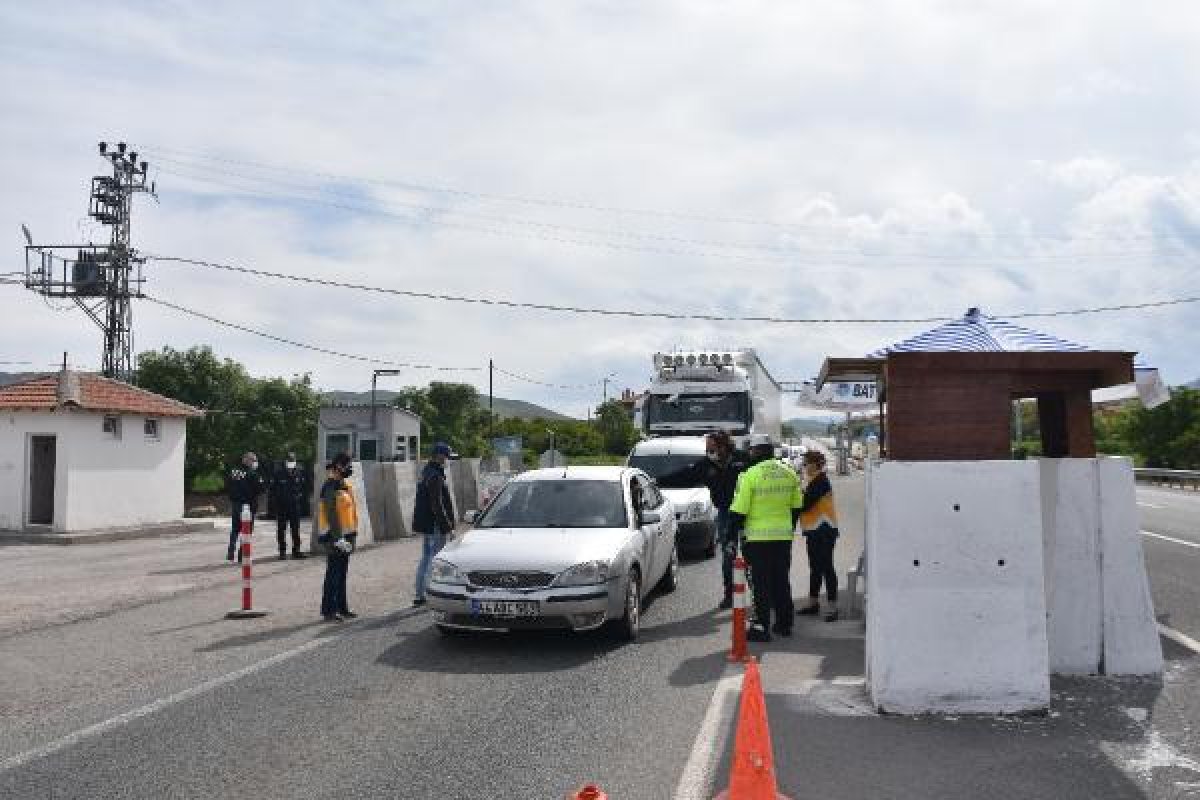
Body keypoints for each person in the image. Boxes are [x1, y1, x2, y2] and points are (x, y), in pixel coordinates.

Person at [659, 431, 747, 609]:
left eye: (712, 448)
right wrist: (657, 481)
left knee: (752, 554)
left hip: (748, 514)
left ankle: (760, 596)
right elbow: (684, 476)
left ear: (724, 446)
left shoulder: (742, 459)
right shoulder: (706, 465)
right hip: (726, 514)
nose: (709, 451)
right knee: (728, 555)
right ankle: (729, 595)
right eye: (707, 448)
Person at [730, 434, 802, 642]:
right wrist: (788, 528)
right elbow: (797, 506)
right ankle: (785, 624)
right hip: (783, 538)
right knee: (781, 581)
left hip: (757, 540)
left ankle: (762, 628)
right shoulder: (789, 472)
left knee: (761, 584)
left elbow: (739, 511)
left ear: (755, 451)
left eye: (751, 450)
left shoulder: (750, 475)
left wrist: (731, 536)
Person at [796, 450, 840, 622]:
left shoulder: (820, 480)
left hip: (824, 530)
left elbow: (805, 504)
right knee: (815, 567)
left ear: (815, 464)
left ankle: (832, 607)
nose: (804, 466)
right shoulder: (812, 480)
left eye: (807, 463)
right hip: (814, 531)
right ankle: (813, 603)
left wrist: (795, 495)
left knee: (827, 567)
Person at [412, 442, 456, 606]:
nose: (447, 460)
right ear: (439, 456)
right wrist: (448, 527)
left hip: (427, 524)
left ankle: (419, 595)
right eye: (446, 456)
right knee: (434, 559)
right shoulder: (435, 476)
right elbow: (437, 505)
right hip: (435, 524)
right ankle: (430, 593)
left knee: (426, 558)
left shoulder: (427, 472)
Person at [318, 453, 358, 621]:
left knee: (341, 575)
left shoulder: (344, 485)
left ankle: (342, 608)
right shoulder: (330, 487)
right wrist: (338, 538)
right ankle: (329, 610)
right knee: (333, 575)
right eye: (347, 465)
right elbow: (331, 514)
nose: (350, 468)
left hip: (346, 537)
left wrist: (350, 536)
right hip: (334, 538)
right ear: (338, 467)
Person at [226, 452, 265, 562]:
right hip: (248, 506)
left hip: (236, 504)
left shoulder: (234, 471)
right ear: (247, 460)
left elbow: (228, 485)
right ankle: (241, 555)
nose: (255, 462)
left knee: (235, 528)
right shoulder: (252, 473)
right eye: (254, 460)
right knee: (247, 530)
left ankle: (231, 551)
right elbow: (260, 489)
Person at [271, 452, 308, 560]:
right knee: (281, 529)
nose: (291, 463)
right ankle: (282, 551)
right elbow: (273, 489)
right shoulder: (278, 473)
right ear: (285, 462)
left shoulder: (300, 471)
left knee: (295, 529)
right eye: (289, 460)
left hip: (295, 505)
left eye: (292, 460)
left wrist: (301, 499)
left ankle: (296, 550)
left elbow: (305, 487)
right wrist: (276, 502)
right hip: (281, 505)